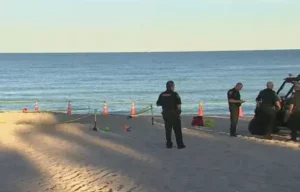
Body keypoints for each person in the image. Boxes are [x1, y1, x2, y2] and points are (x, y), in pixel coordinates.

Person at [156, 81, 186, 149]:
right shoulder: (175, 94)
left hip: (165, 113)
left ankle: (169, 144)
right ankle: (180, 145)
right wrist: (179, 112)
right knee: (177, 130)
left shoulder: (162, 94)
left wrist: (165, 103)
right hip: (174, 113)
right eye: (173, 86)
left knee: (168, 129)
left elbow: (158, 104)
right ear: (172, 86)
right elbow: (178, 104)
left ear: (166, 86)